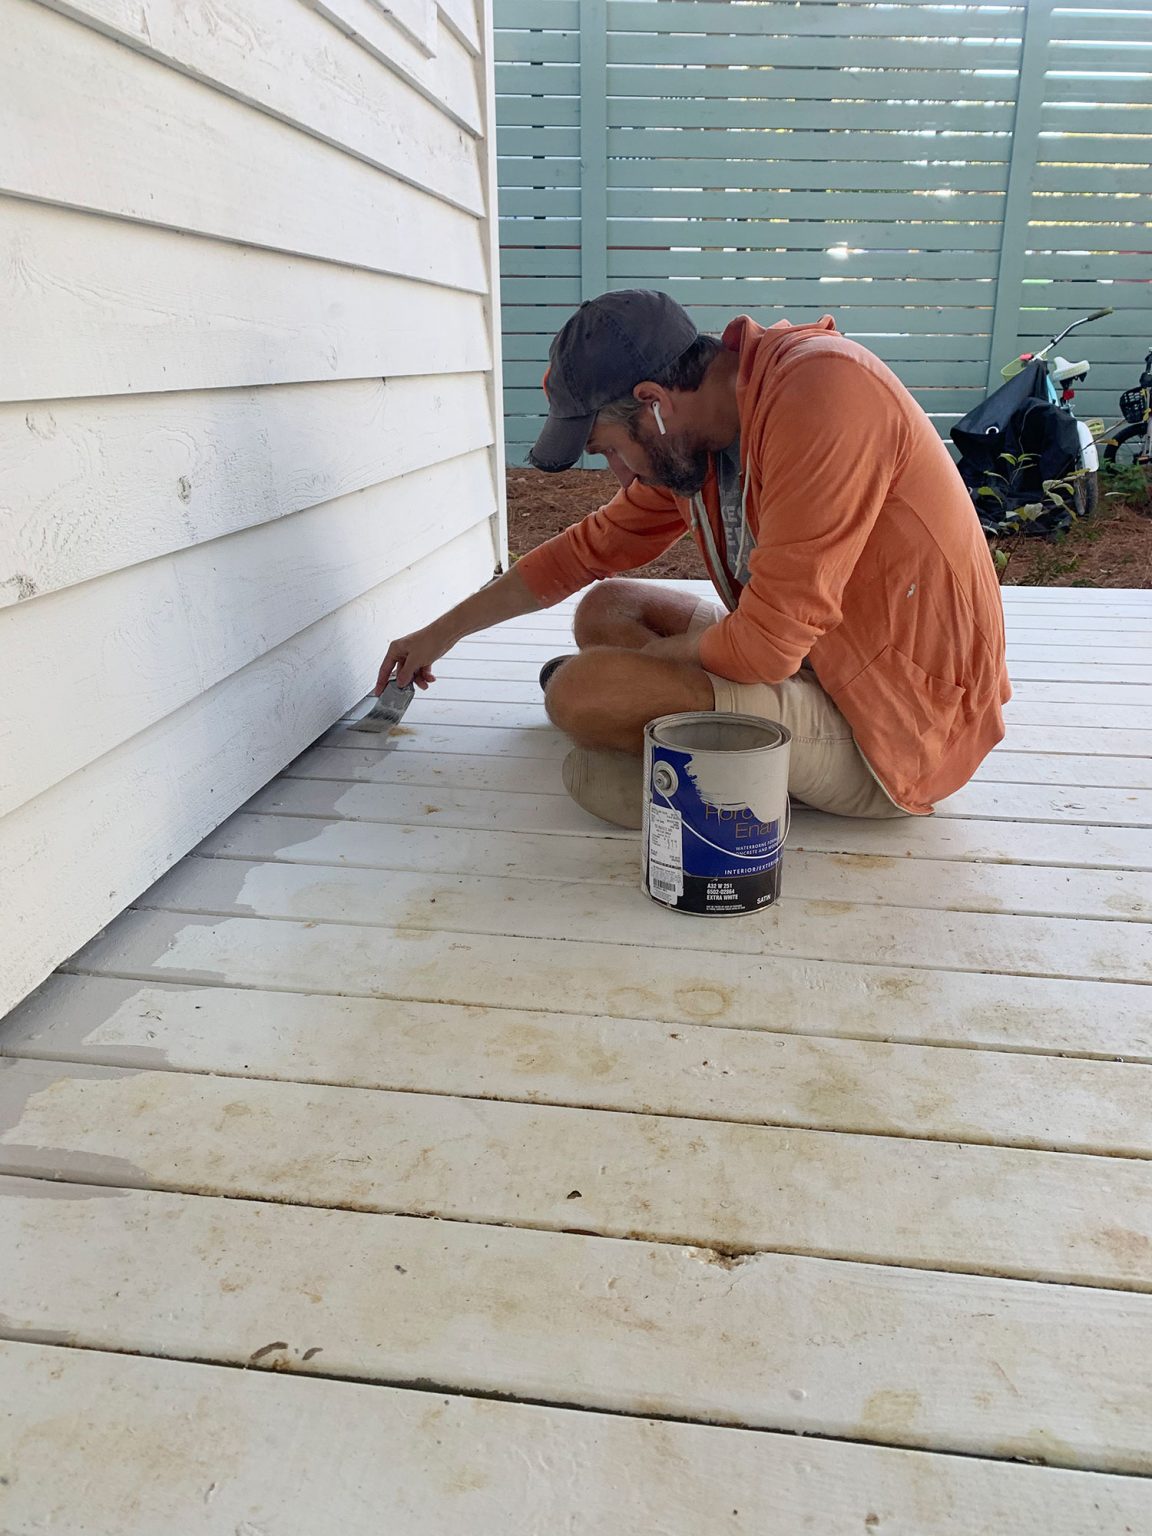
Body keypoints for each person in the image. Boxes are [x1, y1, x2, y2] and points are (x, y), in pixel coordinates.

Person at [374, 289, 1010, 827]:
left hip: (895, 723)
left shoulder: (824, 393)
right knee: (608, 607)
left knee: (582, 702)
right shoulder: (702, 436)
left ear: (653, 402)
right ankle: (703, 748)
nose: (619, 475)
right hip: (814, 657)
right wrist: (441, 633)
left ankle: (716, 767)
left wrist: (633, 672)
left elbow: (765, 648)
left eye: (609, 448)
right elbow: (583, 554)